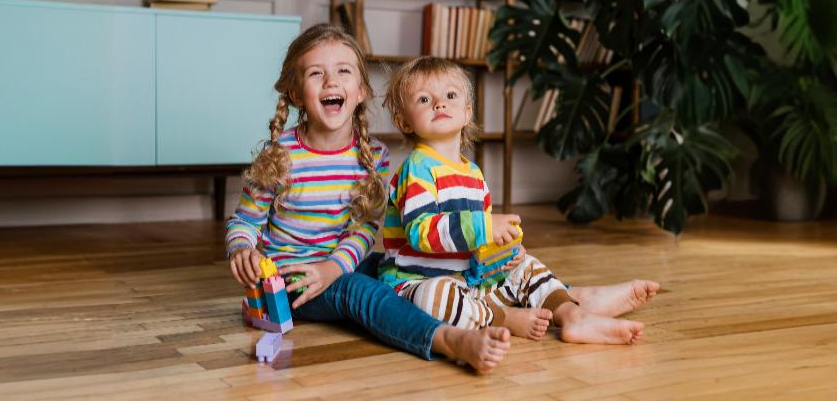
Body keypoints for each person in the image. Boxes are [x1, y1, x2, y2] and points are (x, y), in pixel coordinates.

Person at [225, 24, 509, 372]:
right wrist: (241, 249)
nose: (331, 82)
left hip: (339, 264)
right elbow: (245, 221)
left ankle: (498, 304)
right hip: (293, 281)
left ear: (360, 90)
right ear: (296, 94)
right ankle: (446, 339)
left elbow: (363, 229)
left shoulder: (373, 156)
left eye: (343, 71)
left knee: (397, 268)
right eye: (316, 73)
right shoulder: (278, 156)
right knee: (358, 291)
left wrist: (334, 267)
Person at [378, 57, 661, 344]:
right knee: (434, 298)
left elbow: (479, 243)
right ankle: (504, 318)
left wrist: (504, 252)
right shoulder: (417, 168)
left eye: (450, 95)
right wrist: (486, 227)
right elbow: (421, 232)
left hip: (468, 282)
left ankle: (572, 315)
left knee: (525, 266)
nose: (440, 104)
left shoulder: (473, 173)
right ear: (404, 122)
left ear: (466, 113)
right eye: (424, 99)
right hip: (418, 282)